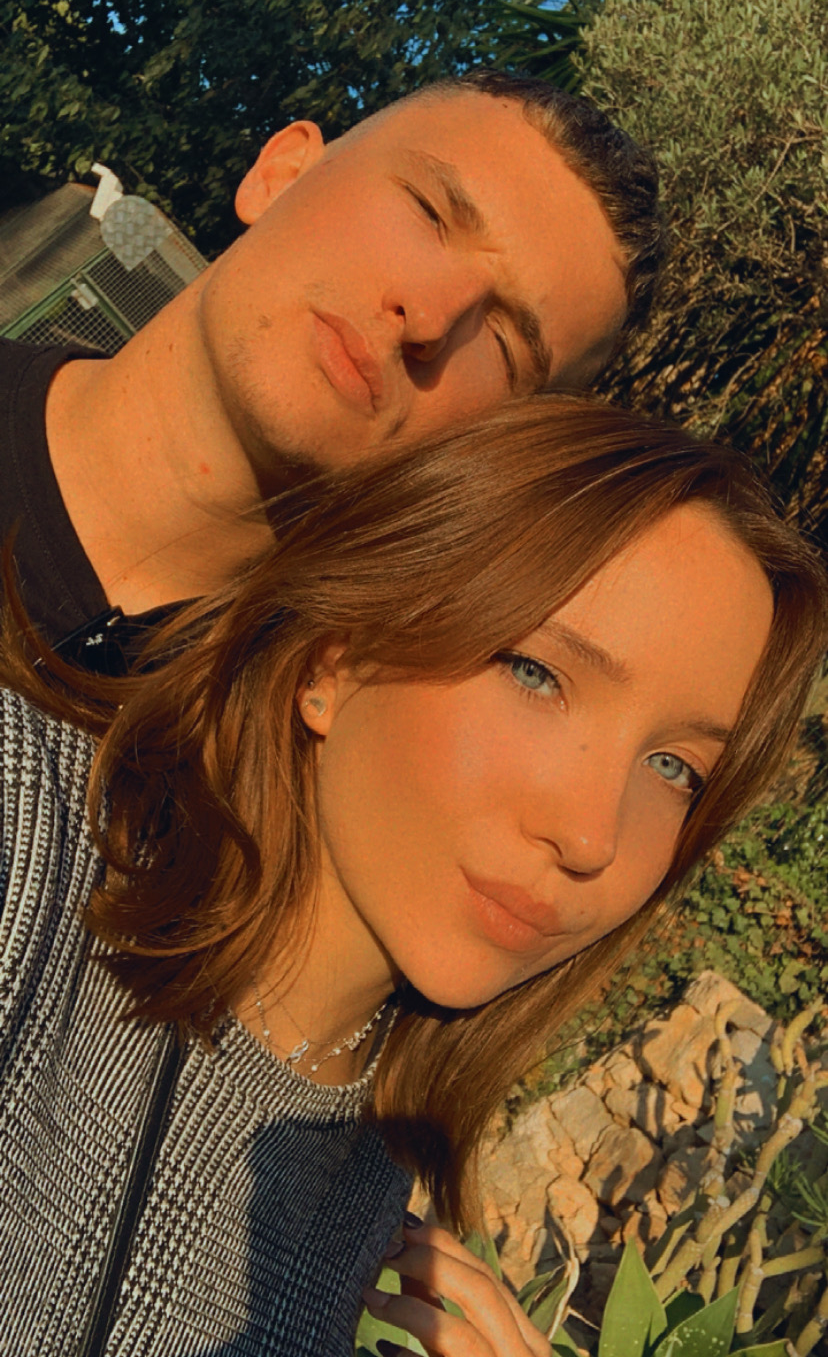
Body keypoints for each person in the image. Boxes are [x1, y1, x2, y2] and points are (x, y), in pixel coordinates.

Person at [3, 395, 824, 1357]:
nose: (591, 836)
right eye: (536, 674)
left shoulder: (371, 1192)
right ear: (334, 659)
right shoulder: (30, 840)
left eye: (675, 767)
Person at [0, 70, 666, 670]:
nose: (428, 318)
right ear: (281, 173)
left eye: (502, 341)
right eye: (428, 213)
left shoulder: (284, 752)